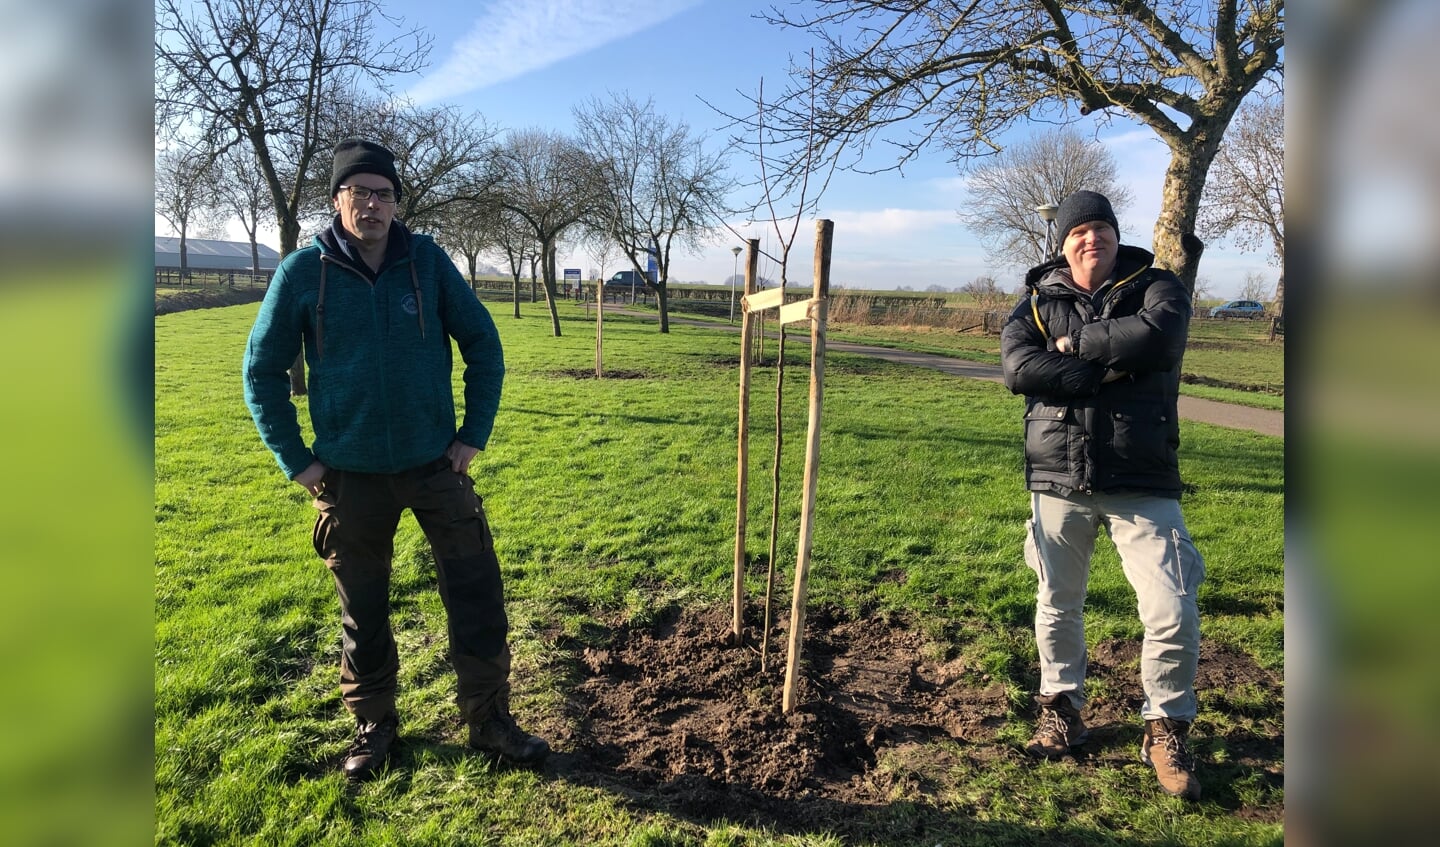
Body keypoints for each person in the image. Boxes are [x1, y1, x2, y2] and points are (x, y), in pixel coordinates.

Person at [243, 138, 549, 781]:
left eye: (384, 194)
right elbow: (262, 371)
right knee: (365, 607)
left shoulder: (429, 262)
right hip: (348, 478)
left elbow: (483, 347)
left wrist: (473, 435)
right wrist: (297, 462)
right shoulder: (303, 273)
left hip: (437, 467)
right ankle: (375, 725)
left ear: (395, 204)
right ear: (337, 201)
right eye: (360, 193)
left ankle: (489, 720)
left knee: (476, 595)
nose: (373, 205)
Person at [1000, 190, 1205, 800]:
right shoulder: (1036, 303)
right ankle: (1061, 709)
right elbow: (1017, 370)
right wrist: (1110, 357)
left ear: (1117, 237)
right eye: (1080, 231)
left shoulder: (1157, 285)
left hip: (1141, 475)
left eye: (1102, 229)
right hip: (1057, 475)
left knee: (1171, 604)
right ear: (1062, 242)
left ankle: (1166, 725)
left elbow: (1160, 340)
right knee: (1057, 601)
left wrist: (1067, 348)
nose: (1092, 239)